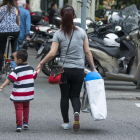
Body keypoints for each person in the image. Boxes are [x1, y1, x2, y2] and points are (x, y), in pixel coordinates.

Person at [36, 5, 97, 132]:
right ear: (74, 16)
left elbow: (52, 53)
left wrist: (41, 63)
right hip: (78, 70)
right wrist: (93, 68)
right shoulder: (81, 33)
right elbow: (87, 52)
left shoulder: (58, 34)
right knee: (74, 95)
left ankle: (65, 122)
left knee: (64, 96)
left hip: (63, 70)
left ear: (61, 17)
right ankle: (76, 112)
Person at [0, 49, 41, 132]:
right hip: (28, 94)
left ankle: (19, 125)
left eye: (14, 58)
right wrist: (40, 68)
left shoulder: (16, 70)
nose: (14, 60)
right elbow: (35, 74)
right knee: (26, 107)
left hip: (19, 94)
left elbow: (9, 79)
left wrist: (2, 86)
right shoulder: (30, 68)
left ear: (19, 60)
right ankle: (25, 122)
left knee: (19, 109)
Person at [0, 0, 20, 78]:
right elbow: (18, 23)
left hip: (2, 32)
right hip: (15, 32)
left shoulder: (1, 8)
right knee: (14, 50)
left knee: (1, 51)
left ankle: (0, 70)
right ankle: (15, 67)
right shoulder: (16, 9)